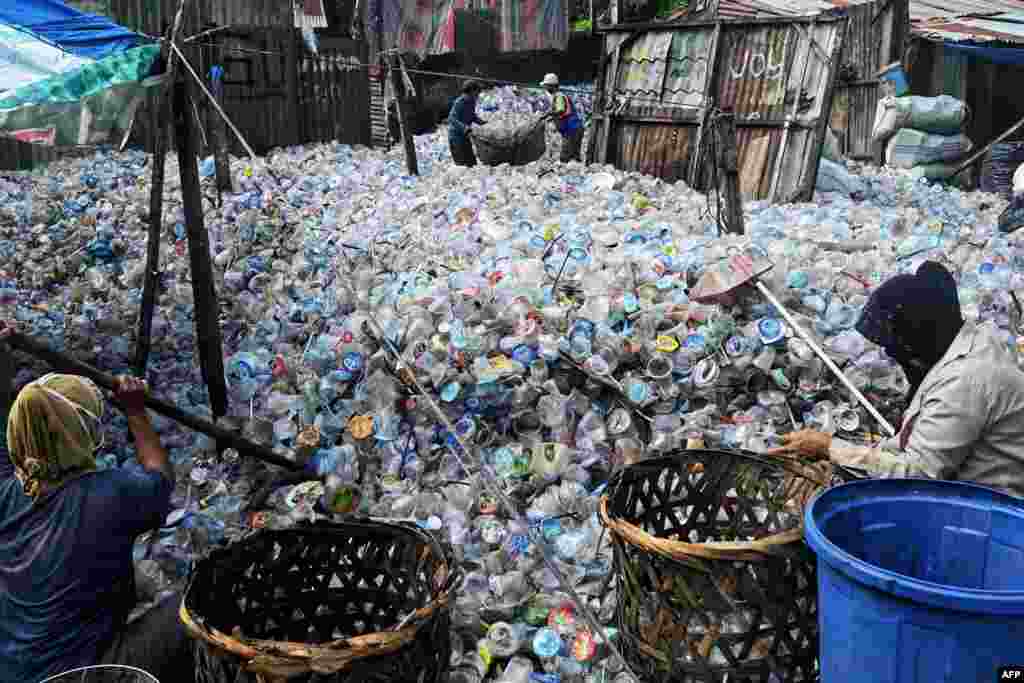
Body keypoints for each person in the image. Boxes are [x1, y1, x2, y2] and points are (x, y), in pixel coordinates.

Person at [0, 323, 193, 682]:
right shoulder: (109, 495)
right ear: (85, 434)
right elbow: (161, 477)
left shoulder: (7, 491)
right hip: (75, 675)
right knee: (193, 608)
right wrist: (135, 410)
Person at [769, 261, 1024, 498]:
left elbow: (918, 475)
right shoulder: (967, 341)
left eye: (898, 345)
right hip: (963, 485)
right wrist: (846, 452)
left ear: (920, 334)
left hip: (988, 508)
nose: (893, 355)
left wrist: (830, 447)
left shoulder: (965, 381)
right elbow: (914, 446)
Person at [541, 73, 584, 163]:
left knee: (565, 156)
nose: (545, 89)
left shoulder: (559, 96)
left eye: (546, 86)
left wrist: (548, 114)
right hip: (574, 129)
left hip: (572, 129)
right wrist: (550, 118)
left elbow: (560, 110)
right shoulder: (559, 96)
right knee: (574, 156)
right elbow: (562, 113)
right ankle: (576, 171)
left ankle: (568, 172)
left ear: (551, 86)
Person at [448, 80, 486, 167]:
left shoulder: (471, 102)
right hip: (456, 138)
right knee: (462, 166)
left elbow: (471, 116)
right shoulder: (460, 102)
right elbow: (451, 118)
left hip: (465, 137)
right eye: (477, 91)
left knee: (472, 164)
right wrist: (465, 128)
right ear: (472, 91)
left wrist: (482, 123)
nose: (478, 94)